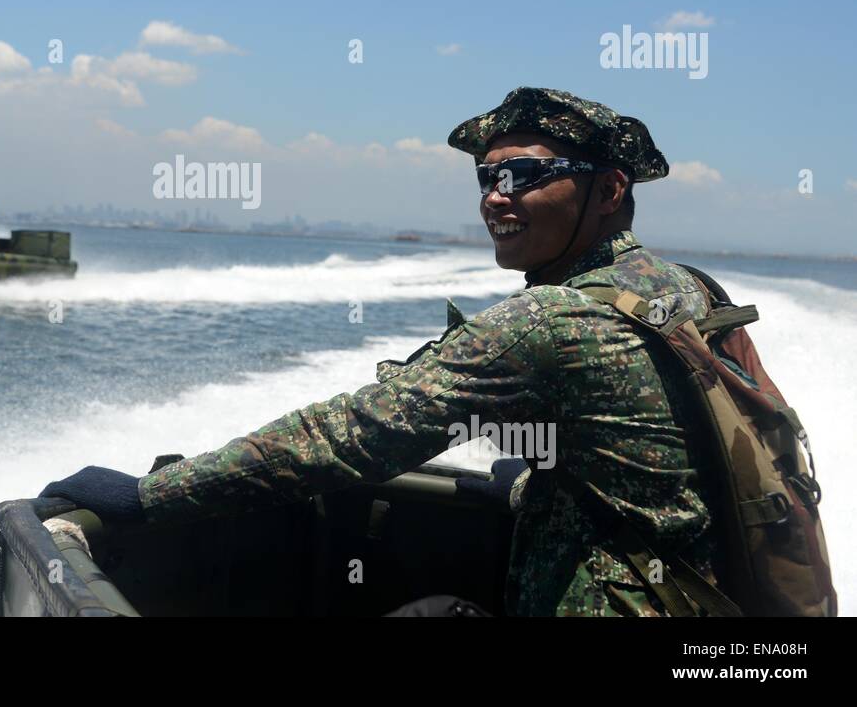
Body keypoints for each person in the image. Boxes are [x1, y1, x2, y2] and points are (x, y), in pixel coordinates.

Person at [41, 87, 728, 617]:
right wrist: (530, 485)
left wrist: (145, 495)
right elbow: (667, 468)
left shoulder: (549, 321)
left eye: (523, 175)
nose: (496, 197)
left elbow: (347, 437)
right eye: (487, 178)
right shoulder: (691, 292)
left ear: (608, 190)